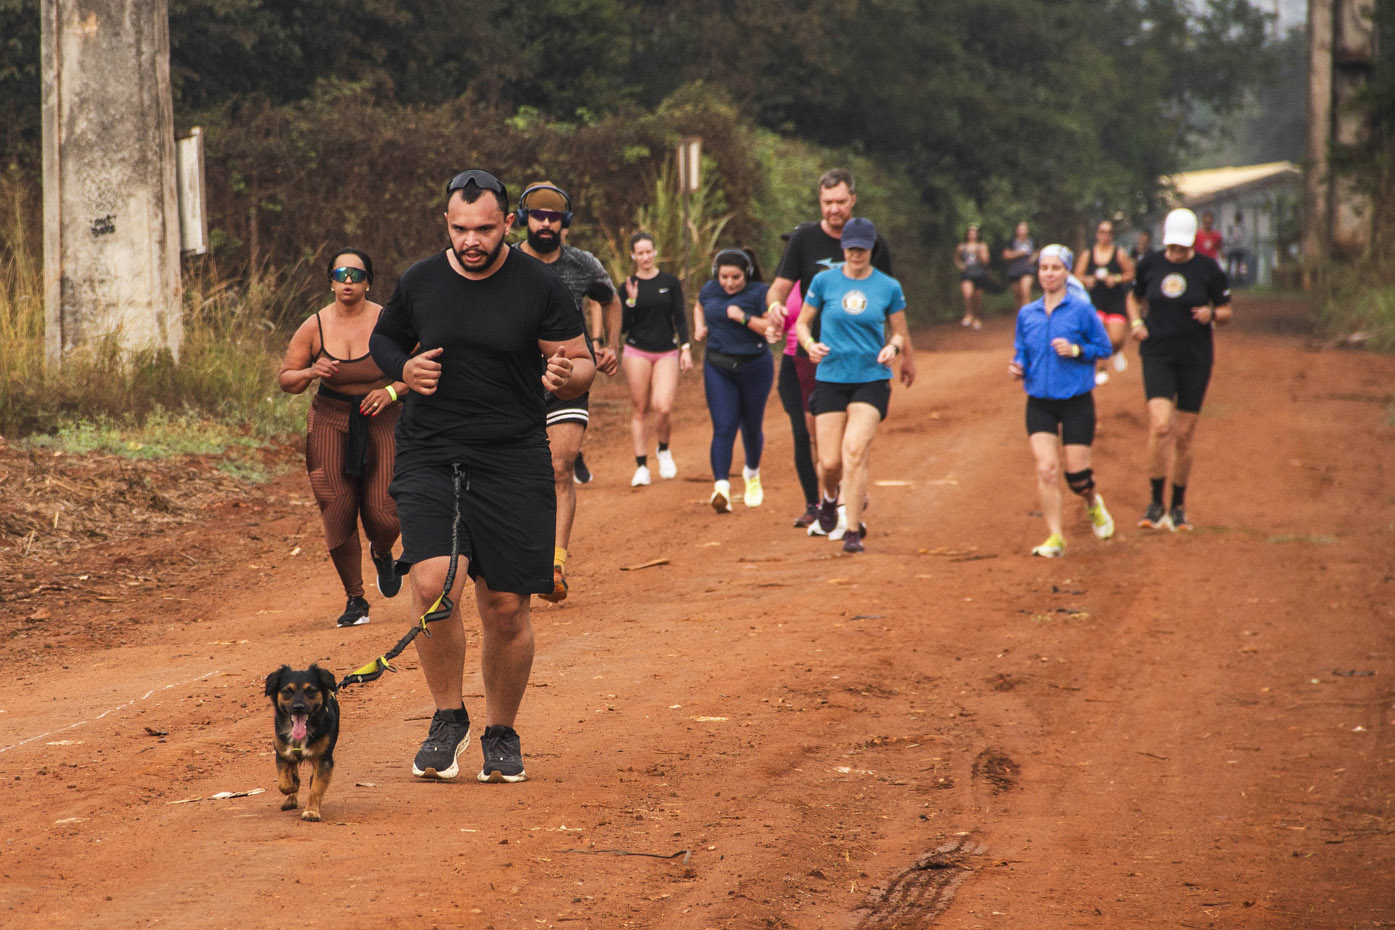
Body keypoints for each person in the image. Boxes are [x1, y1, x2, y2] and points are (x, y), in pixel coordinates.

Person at [368, 169, 595, 783]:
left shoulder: (539, 284)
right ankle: (448, 718)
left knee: (506, 607)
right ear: (446, 223)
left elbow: (579, 362)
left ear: (508, 224)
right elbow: (384, 340)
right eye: (461, 228)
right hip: (430, 452)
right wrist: (403, 368)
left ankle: (501, 731)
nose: (471, 240)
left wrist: (564, 377)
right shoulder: (420, 281)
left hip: (512, 455)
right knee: (431, 585)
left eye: (486, 229)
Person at [764, 169, 903, 530]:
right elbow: (778, 288)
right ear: (820, 202)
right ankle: (821, 503)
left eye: (841, 201)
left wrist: (904, 355)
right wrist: (775, 307)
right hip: (812, 355)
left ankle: (847, 506)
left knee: (854, 438)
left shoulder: (874, 242)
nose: (834, 209)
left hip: (861, 358)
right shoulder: (803, 239)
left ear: (852, 200)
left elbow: (892, 306)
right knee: (812, 436)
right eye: (827, 202)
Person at [278, 249, 405, 628]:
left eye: (356, 274)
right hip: (329, 419)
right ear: (331, 282)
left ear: (369, 282)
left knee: (384, 512)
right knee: (336, 507)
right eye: (341, 274)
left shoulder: (388, 321)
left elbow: (419, 368)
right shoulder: (313, 326)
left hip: (382, 416)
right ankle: (355, 598)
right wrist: (310, 372)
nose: (348, 281)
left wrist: (391, 392)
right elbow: (287, 379)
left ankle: (382, 552)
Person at [513, 181, 622, 603]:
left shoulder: (582, 264)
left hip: (569, 378)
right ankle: (520, 555)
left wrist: (610, 346)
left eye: (553, 217)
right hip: (514, 382)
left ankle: (554, 566)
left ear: (565, 222)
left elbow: (610, 299)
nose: (545, 224)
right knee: (521, 474)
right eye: (538, 216)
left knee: (560, 466)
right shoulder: (505, 261)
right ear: (525, 219)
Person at [796, 218, 915, 554]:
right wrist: (809, 345)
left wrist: (893, 348)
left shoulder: (888, 286)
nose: (856, 254)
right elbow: (803, 323)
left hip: (871, 378)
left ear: (871, 249)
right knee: (829, 463)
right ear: (843, 248)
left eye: (862, 248)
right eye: (851, 248)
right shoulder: (824, 281)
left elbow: (899, 332)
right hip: (831, 378)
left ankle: (852, 530)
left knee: (854, 449)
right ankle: (829, 498)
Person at [1127, 207, 1232, 531]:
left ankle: (1178, 505)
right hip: (1157, 353)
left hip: (1195, 357)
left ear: (1191, 242)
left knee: (1184, 435)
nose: (1176, 252)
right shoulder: (1150, 264)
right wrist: (1136, 322)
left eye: (1182, 247)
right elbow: (1133, 298)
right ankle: (1155, 503)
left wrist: (1212, 315)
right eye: (1172, 246)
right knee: (1161, 426)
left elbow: (1226, 311)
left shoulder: (1208, 269)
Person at [1008, 244, 1116, 558]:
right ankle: (1055, 536)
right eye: (1044, 268)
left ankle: (1092, 502)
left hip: (1076, 401)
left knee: (1077, 477)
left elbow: (1104, 347)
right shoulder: (1027, 313)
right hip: (1039, 402)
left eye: (1056, 268)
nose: (1049, 274)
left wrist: (1077, 350)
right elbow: (1022, 351)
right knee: (1046, 469)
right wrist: (1018, 367)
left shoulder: (1081, 310)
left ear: (1067, 272)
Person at [693, 248, 775, 513]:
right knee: (724, 426)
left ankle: (752, 474)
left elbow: (771, 328)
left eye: (735, 277)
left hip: (755, 367)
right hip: (719, 366)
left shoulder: (761, 292)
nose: (728, 283)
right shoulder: (710, 289)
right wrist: (699, 326)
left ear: (747, 274)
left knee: (751, 427)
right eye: (724, 277)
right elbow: (699, 305)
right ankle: (721, 489)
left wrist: (744, 317)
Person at [619, 232, 691, 486]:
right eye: (640, 253)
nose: (645, 257)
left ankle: (664, 449)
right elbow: (623, 327)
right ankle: (641, 466)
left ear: (655, 252)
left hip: (666, 351)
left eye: (649, 252)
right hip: (636, 350)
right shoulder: (628, 285)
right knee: (640, 409)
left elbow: (680, 317)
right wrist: (630, 300)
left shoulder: (669, 282)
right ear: (633, 256)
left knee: (663, 407)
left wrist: (686, 347)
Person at [1076, 220, 1135, 385]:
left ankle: (1115, 351)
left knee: (1116, 339)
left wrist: (1116, 278)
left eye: (1108, 233)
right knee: (1099, 334)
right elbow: (1077, 275)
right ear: (1097, 234)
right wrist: (1087, 280)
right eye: (1102, 232)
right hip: (1096, 301)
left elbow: (1130, 274)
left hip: (1116, 300)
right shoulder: (1088, 254)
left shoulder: (1119, 253)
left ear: (1112, 235)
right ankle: (1102, 368)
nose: (1105, 236)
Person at [954, 225, 990, 329]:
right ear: (967, 234)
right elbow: (956, 258)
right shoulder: (962, 246)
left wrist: (979, 254)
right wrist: (960, 265)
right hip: (967, 274)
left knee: (977, 298)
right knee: (967, 295)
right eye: (970, 233)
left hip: (979, 274)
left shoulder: (982, 246)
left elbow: (986, 261)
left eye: (974, 233)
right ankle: (968, 314)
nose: (972, 235)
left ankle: (977, 318)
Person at [1002, 221, 1037, 309]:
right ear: (1017, 230)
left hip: (1028, 269)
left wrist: (1034, 258)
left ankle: (1027, 314)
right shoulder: (1011, 241)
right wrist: (1018, 253)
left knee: (1025, 292)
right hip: (1015, 270)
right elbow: (1005, 255)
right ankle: (1019, 313)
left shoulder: (1032, 241)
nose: (1022, 231)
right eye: (1021, 229)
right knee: (1018, 296)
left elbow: (1037, 252)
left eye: (1024, 229)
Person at [1225, 211, 1250, 286]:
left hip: (1240, 249)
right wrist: (1231, 241)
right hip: (1232, 248)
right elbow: (1228, 236)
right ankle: (1228, 281)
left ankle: (1240, 282)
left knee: (1240, 266)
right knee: (1230, 265)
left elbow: (1245, 237)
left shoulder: (1243, 227)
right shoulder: (1231, 226)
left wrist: (1244, 245)